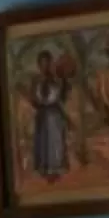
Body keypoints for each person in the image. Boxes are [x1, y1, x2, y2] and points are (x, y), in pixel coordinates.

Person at [27, 51, 74, 182]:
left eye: (47, 62)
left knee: (56, 142)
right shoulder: (35, 80)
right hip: (42, 115)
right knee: (43, 142)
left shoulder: (56, 79)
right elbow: (32, 99)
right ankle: (45, 171)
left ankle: (56, 171)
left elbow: (62, 99)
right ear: (39, 64)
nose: (45, 65)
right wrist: (39, 105)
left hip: (55, 115)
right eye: (42, 63)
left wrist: (65, 82)